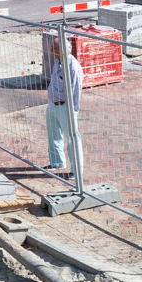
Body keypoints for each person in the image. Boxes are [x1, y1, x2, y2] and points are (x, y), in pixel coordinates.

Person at [43, 34, 84, 180]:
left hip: (65, 108)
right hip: (53, 105)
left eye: (53, 48)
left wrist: (72, 111)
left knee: (72, 138)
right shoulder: (58, 62)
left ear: (62, 50)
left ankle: (76, 169)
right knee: (53, 135)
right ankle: (57, 162)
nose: (50, 50)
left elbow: (76, 90)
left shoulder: (72, 66)